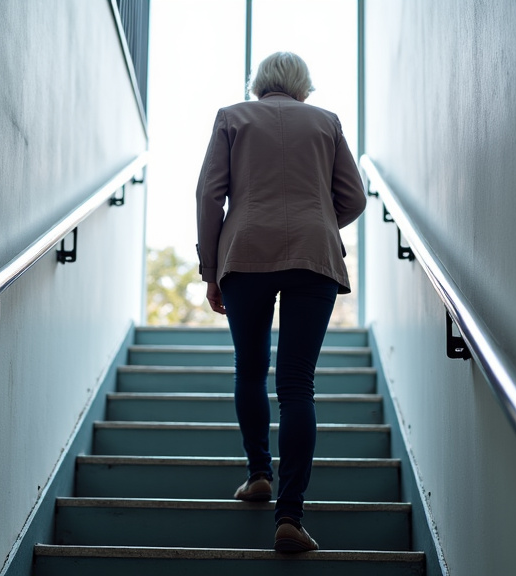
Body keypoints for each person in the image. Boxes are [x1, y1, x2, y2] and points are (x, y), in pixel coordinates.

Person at [195, 51, 366, 552]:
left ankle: (258, 474)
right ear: (303, 88)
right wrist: (315, 219)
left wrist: (211, 271)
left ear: (260, 84)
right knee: (297, 385)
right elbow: (353, 198)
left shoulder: (233, 117)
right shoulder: (326, 122)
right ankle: (289, 516)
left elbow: (210, 194)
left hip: (244, 251)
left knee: (250, 369)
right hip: (313, 254)